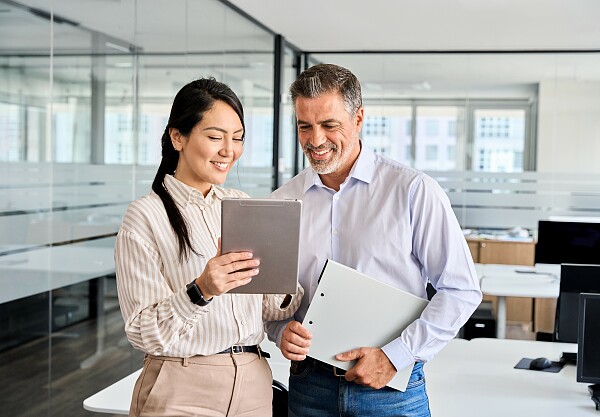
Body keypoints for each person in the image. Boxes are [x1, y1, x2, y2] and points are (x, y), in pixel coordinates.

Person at [266, 63, 482, 417]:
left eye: (329, 125)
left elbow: (461, 289)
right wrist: (279, 330)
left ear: (359, 118)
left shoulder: (412, 190)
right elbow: (271, 300)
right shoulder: (282, 203)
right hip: (309, 386)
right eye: (305, 126)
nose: (315, 139)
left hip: (392, 388)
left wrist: (397, 355)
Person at [115, 77, 303, 417]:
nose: (228, 150)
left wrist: (282, 278)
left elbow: (274, 309)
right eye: (215, 137)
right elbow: (142, 333)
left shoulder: (241, 205)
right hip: (183, 384)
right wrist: (201, 290)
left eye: (238, 138)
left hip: (253, 382)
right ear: (178, 137)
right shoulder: (144, 216)